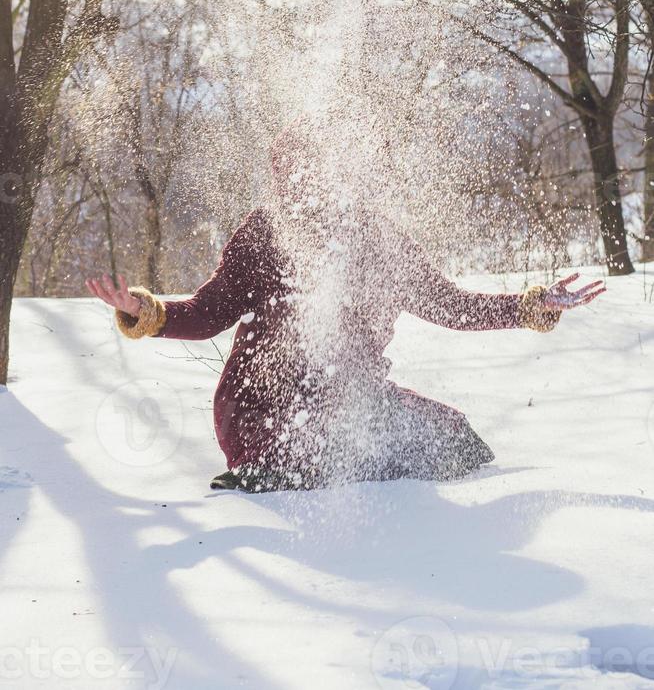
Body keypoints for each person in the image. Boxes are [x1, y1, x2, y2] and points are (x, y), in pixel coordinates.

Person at [86, 117, 606, 492]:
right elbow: (206, 313)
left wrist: (531, 305)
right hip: (268, 411)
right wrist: (142, 310)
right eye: (291, 176)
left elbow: (451, 305)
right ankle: (261, 479)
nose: (305, 188)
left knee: (460, 444)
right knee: (320, 458)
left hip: (358, 400)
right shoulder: (266, 236)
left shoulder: (380, 240)